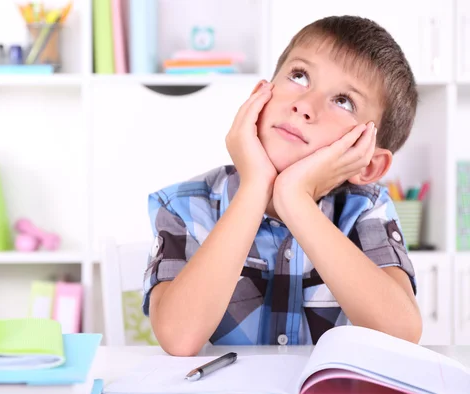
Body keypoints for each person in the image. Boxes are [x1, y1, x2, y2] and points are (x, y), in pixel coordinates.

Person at [142, 15, 421, 356]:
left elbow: (402, 334)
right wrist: (254, 188)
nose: (304, 106)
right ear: (259, 95)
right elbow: (178, 338)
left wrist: (295, 199)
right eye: (299, 76)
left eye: (343, 100)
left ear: (369, 163)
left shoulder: (365, 208)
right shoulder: (184, 206)